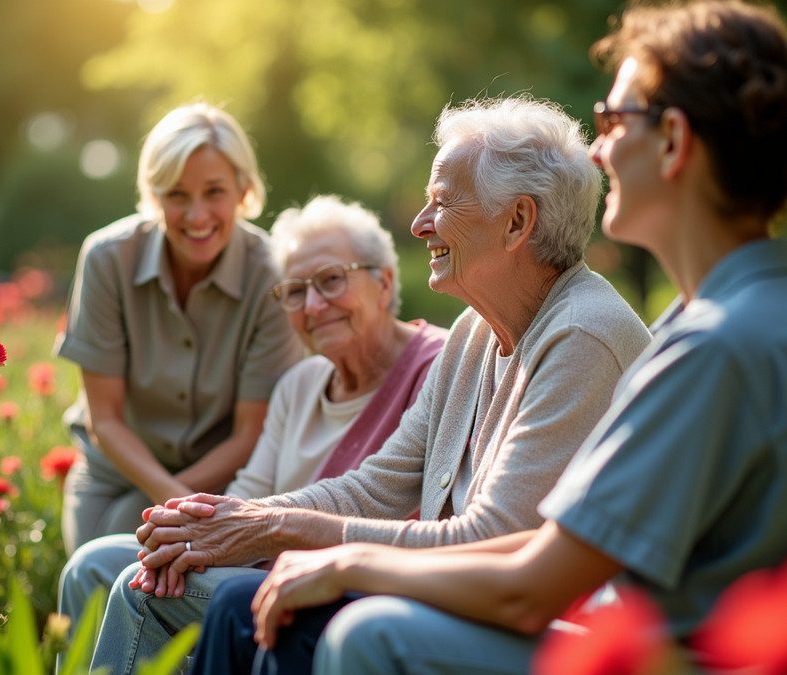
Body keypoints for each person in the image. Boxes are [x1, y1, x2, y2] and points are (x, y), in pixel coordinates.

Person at [193, 2, 787, 673]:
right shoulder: (723, 321)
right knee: (267, 606)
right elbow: (531, 545)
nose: (598, 149)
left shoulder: (707, 345)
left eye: (614, 120)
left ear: (674, 142)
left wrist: (347, 559)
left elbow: (533, 579)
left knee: (364, 631)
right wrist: (253, 521)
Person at [89, 96, 652, 673]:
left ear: (517, 222)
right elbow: (376, 486)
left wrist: (277, 529)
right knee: (156, 585)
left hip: (552, 634)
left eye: (443, 202)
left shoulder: (583, 335)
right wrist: (236, 520)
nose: (418, 224)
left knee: (251, 607)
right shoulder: (473, 334)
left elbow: (494, 540)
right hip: (451, 600)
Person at [56, 194, 447, 625]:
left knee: (137, 585)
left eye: (332, 280)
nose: (314, 306)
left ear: (384, 282)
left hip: (339, 585)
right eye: (295, 292)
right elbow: (249, 490)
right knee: (90, 566)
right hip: (253, 562)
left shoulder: (438, 368)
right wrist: (186, 534)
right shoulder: (299, 384)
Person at [54, 103, 303, 555]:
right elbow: (104, 419)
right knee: (89, 576)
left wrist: (173, 507)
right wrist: (164, 500)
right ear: (154, 196)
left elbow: (251, 433)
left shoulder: (273, 273)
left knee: (149, 589)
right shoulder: (106, 259)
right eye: (176, 195)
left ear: (243, 191)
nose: (197, 215)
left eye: (214, 192)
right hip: (114, 469)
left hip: (221, 479)